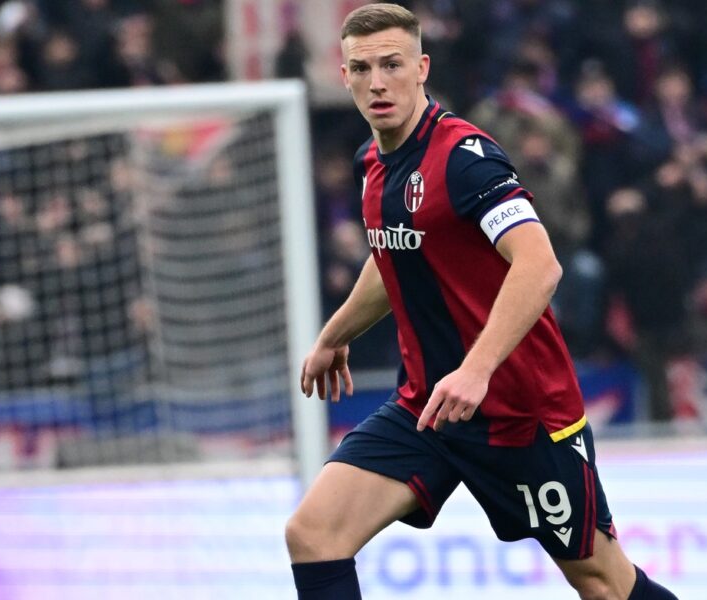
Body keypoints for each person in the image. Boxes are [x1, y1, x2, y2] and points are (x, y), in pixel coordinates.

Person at [285, 4, 678, 600]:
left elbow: (540, 265)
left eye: (392, 65)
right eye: (362, 69)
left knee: (604, 584)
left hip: (518, 414)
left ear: (422, 68)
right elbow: (395, 254)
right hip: (428, 408)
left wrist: (476, 368)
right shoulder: (374, 165)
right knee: (313, 534)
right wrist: (334, 334)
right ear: (345, 77)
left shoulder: (465, 158)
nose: (377, 82)